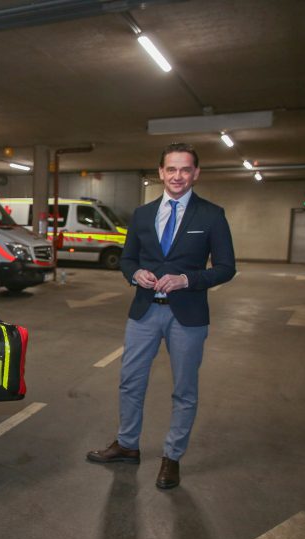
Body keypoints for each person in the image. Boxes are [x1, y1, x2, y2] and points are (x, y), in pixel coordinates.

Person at [86, 143, 235, 489]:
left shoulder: (212, 215)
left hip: (188, 316)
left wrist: (188, 279)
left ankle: (173, 456)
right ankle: (127, 445)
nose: (178, 176)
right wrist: (134, 274)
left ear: (195, 173)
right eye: (171, 169)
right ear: (161, 173)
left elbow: (226, 268)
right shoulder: (142, 214)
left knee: (184, 390)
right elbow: (127, 259)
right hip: (144, 311)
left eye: (185, 169)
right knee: (130, 381)